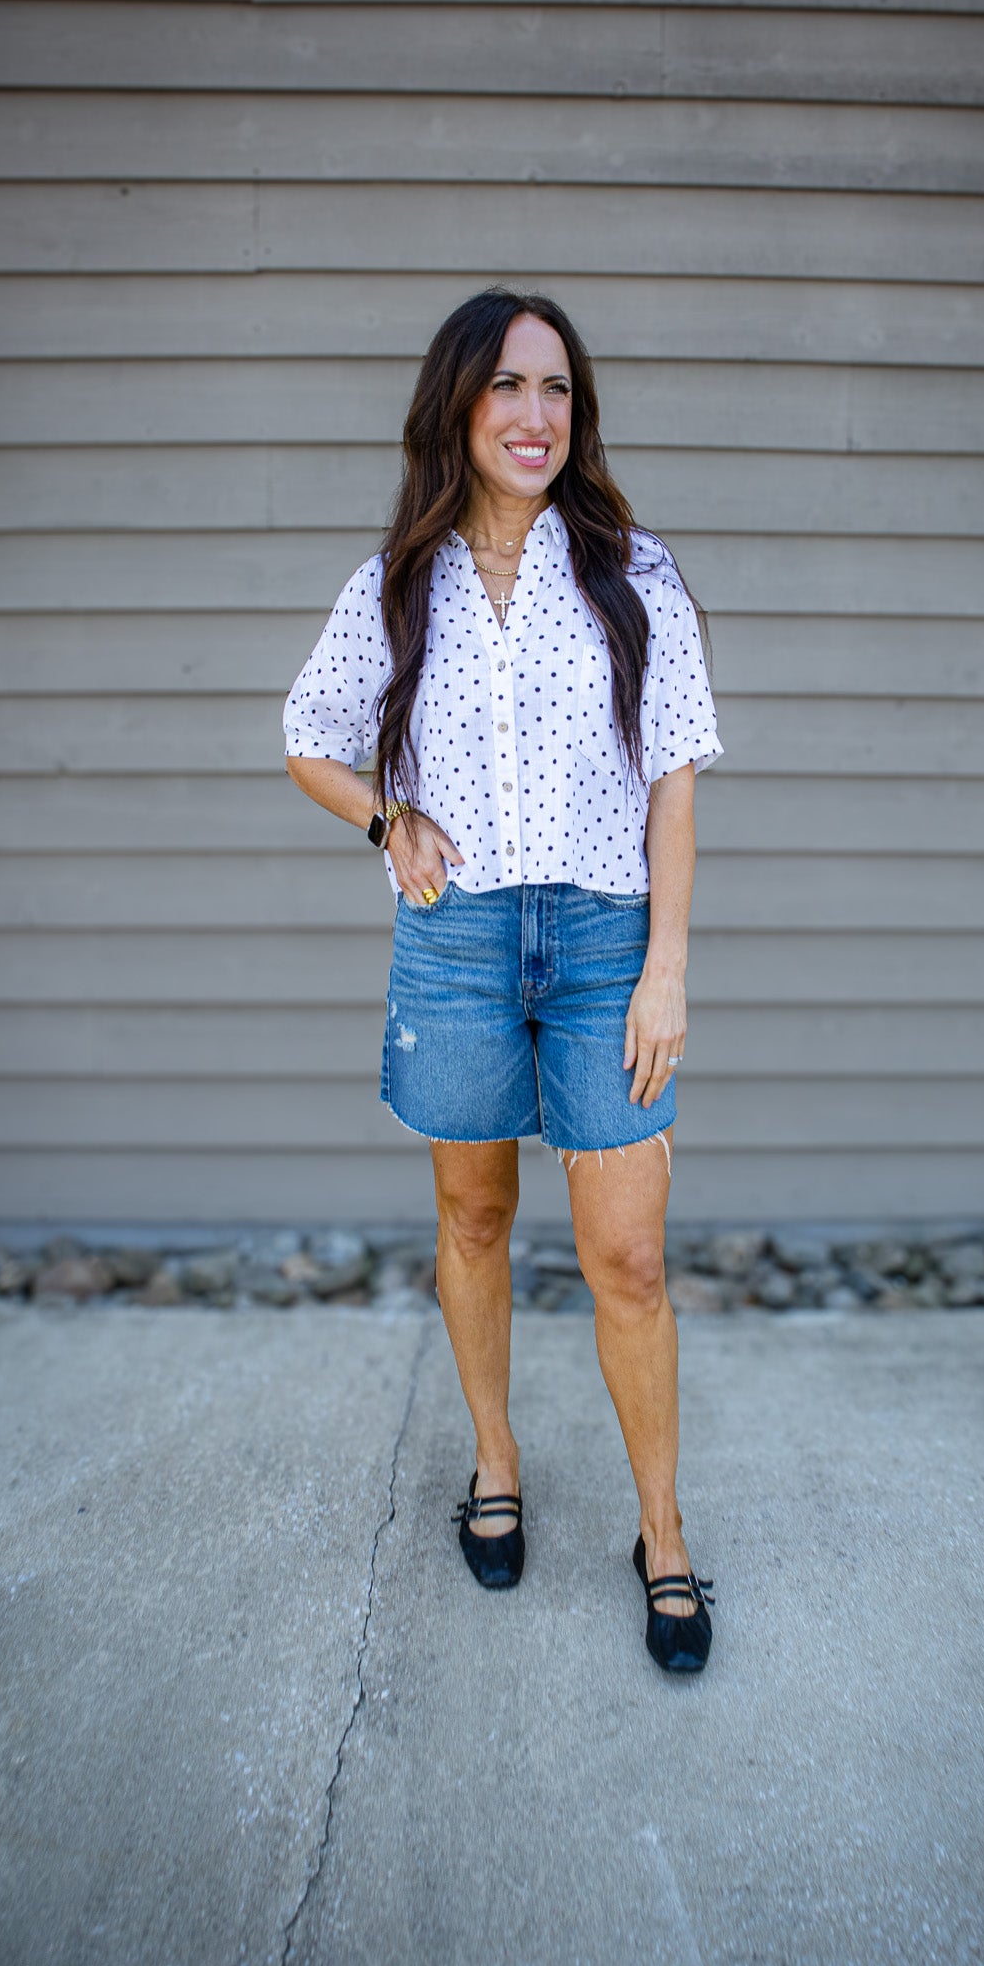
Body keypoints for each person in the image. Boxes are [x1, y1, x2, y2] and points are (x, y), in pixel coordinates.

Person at [282, 288, 723, 1674]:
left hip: (602, 948)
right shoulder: (394, 585)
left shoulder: (634, 575)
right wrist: (382, 818)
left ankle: (660, 1533)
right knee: (473, 1223)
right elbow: (308, 734)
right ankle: (494, 1460)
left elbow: (672, 785)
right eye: (508, 389)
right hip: (461, 942)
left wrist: (665, 970)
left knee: (629, 1259)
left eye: (557, 392)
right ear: (458, 406)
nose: (535, 417)